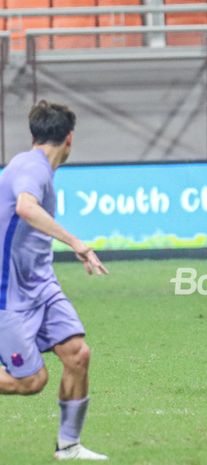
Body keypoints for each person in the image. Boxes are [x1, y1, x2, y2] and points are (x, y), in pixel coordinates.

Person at [0, 100, 109, 460]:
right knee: (30, 382)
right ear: (70, 139)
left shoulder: (38, 168)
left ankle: (69, 446)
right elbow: (25, 208)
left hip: (41, 285)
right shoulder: (29, 167)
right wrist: (77, 242)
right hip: (9, 292)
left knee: (77, 354)